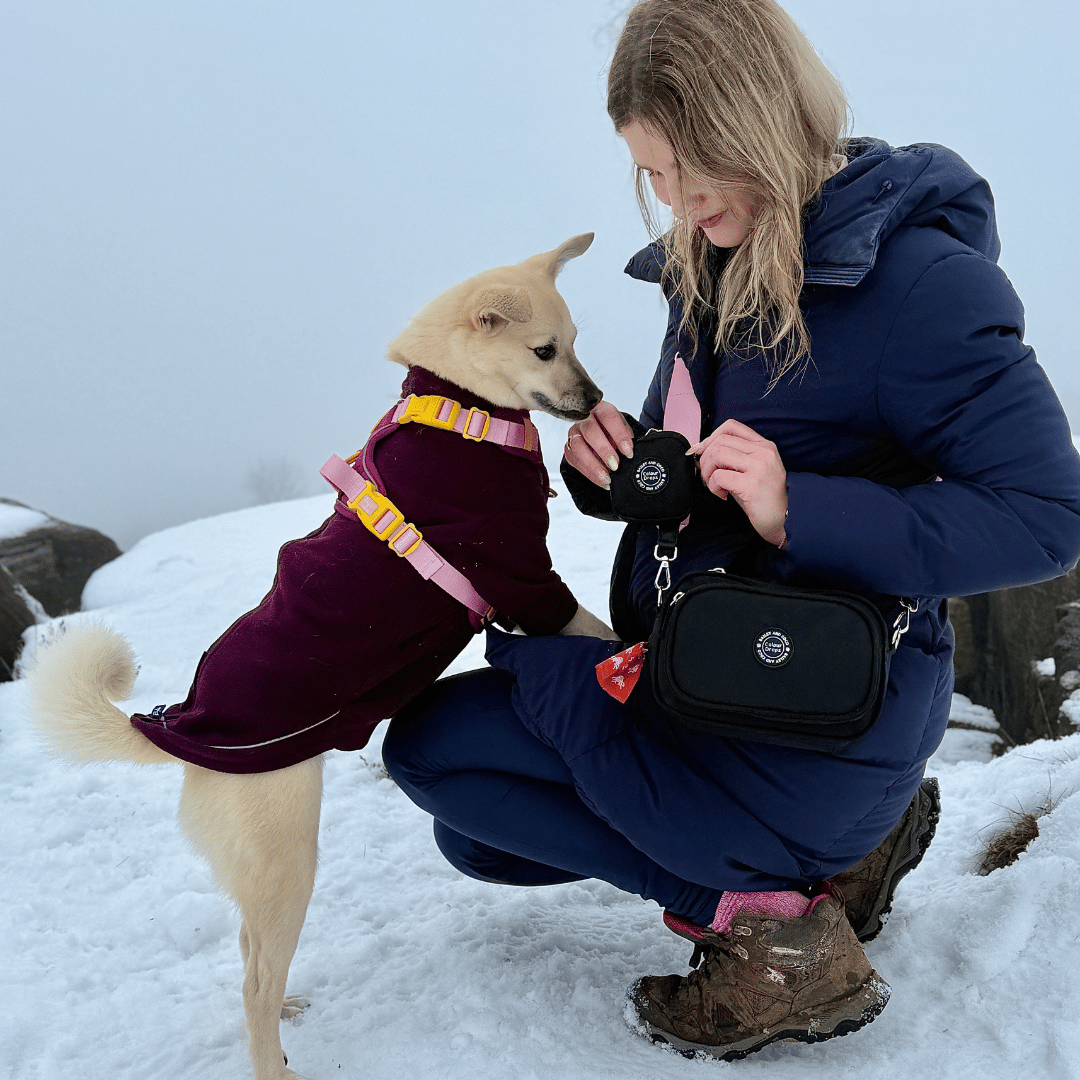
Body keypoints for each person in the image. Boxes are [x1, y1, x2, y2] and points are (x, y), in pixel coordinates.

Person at [382, 0, 1080, 1060]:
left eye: (690, 164)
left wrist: (800, 503)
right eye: (653, 174)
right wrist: (625, 479)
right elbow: (716, 477)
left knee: (436, 751)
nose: (675, 200)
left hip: (816, 719)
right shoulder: (714, 267)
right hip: (711, 678)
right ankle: (835, 863)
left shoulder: (923, 288)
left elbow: (1045, 517)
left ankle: (780, 932)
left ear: (759, 116)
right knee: (480, 842)